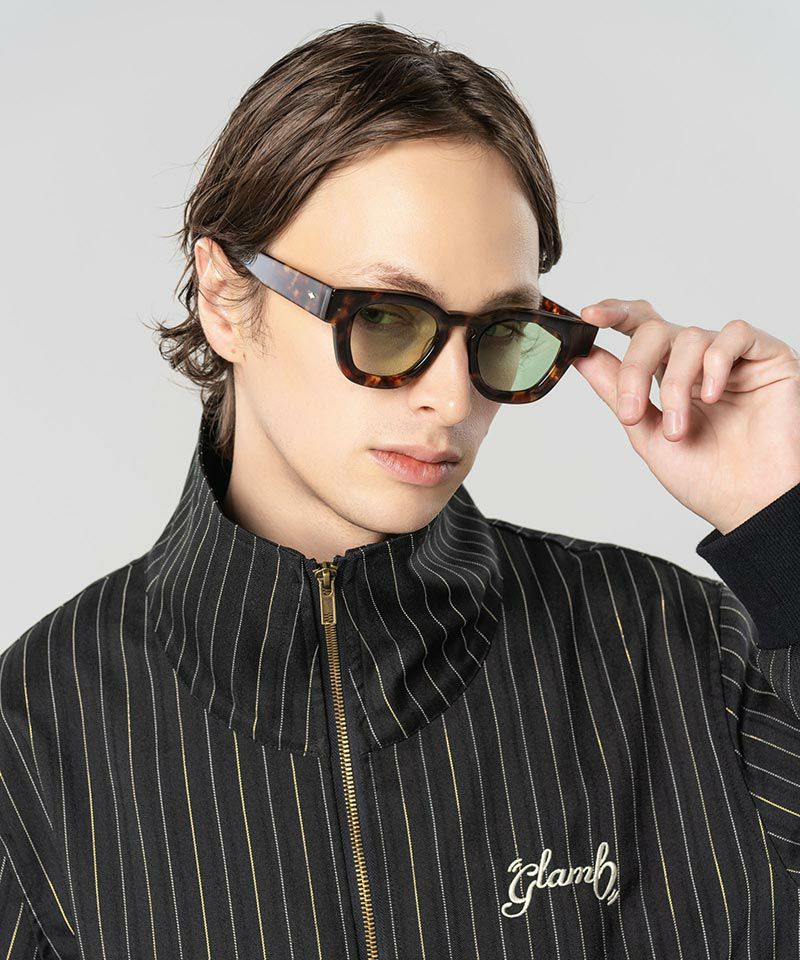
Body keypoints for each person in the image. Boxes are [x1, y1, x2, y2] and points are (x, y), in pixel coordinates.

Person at [2, 19, 799, 960]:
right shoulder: (34, 741)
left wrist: (782, 520)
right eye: (385, 319)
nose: (453, 398)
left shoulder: (690, 656)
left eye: (500, 333)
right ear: (225, 297)